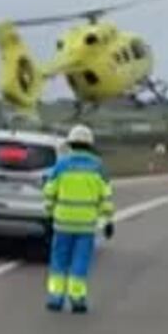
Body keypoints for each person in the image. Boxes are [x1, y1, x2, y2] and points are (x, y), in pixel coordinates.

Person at [42, 124, 114, 313]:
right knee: (80, 263)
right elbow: (106, 197)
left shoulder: (61, 165)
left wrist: (48, 215)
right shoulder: (98, 167)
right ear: (90, 145)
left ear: (71, 143)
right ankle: (77, 298)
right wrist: (107, 220)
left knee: (59, 261)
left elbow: (49, 192)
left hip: (62, 224)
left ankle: (56, 298)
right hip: (86, 226)